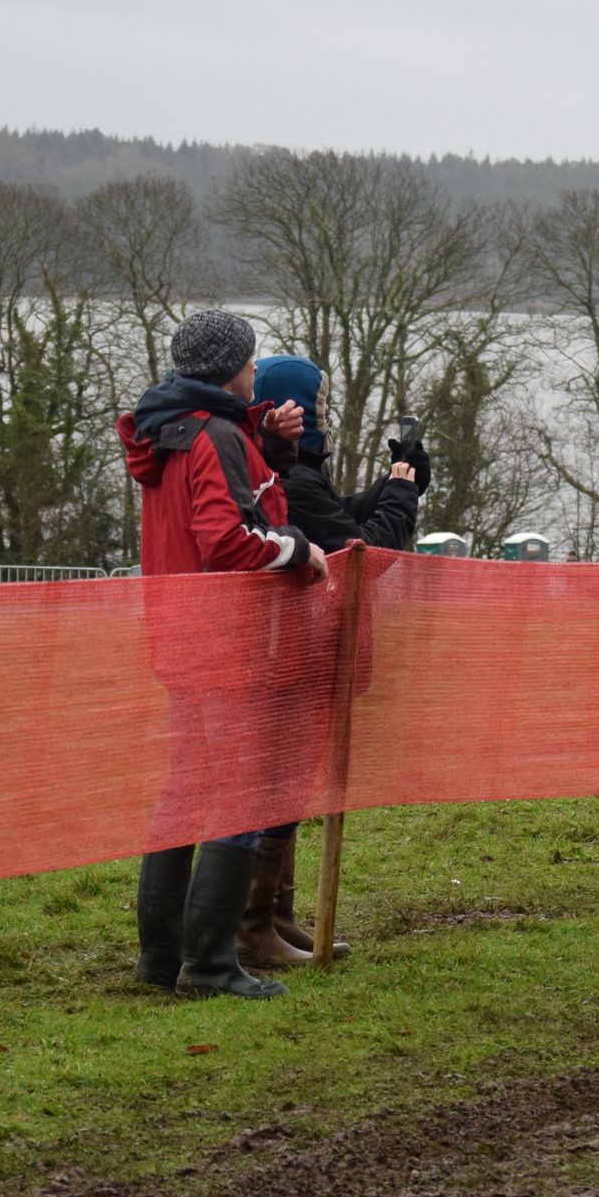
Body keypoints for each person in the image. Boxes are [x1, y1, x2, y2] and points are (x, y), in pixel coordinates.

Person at [116, 308, 328, 999]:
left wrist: (266, 439)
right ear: (231, 367)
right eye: (250, 359)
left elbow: (222, 499)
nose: (254, 368)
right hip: (225, 642)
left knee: (184, 792)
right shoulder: (214, 436)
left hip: (178, 634)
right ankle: (208, 965)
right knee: (239, 796)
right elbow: (226, 538)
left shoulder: (171, 429)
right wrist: (300, 550)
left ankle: (160, 958)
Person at [237, 355, 426, 969]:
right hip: (298, 654)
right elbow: (366, 552)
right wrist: (398, 497)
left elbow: (339, 515)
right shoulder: (290, 479)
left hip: (294, 652)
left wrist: (399, 484)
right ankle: (253, 923)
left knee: (289, 784)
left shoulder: (287, 473)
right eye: (316, 400)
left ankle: (275, 915)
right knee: (281, 782)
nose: (322, 411)